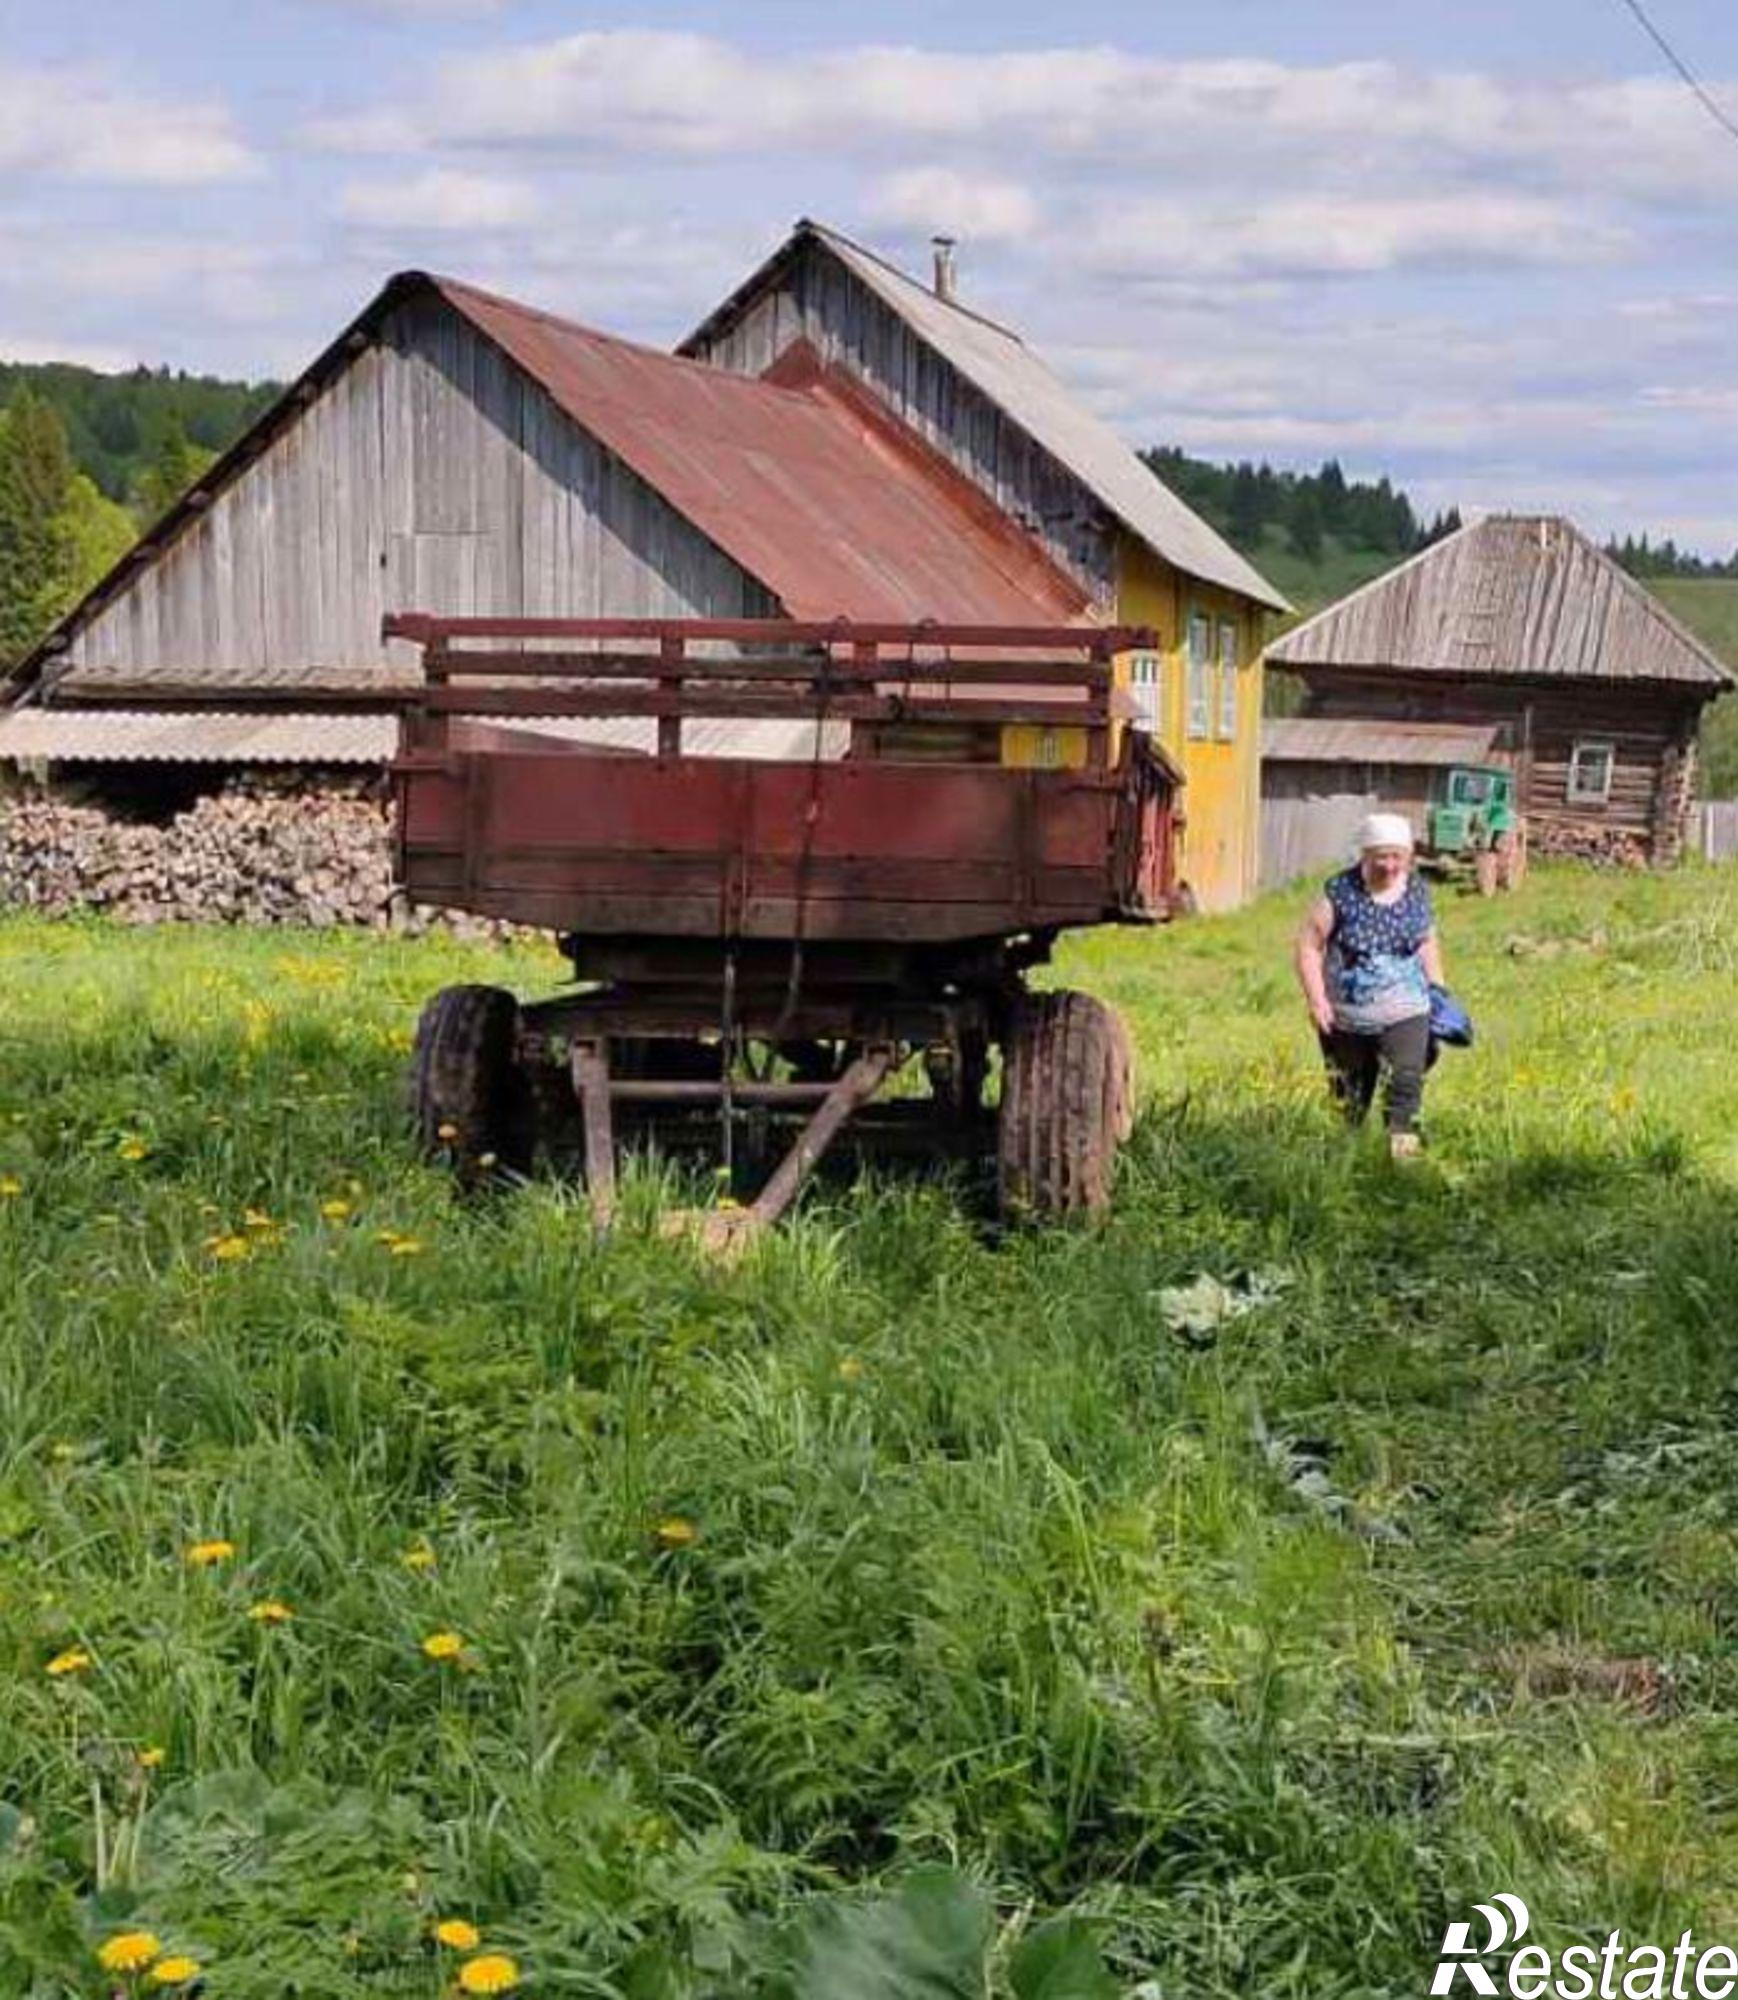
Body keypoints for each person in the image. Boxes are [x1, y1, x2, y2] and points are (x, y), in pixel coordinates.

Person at [1294, 812, 1445, 1160]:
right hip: (1346, 1017)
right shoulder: (1340, 893)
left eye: (1398, 856)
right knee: (1350, 1095)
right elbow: (1309, 946)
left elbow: (1426, 941)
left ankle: (1402, 1161)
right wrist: (1317, 1001)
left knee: (1406, 1081)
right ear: (1365, 854)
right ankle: (1348, 1161)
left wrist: (1439, 991)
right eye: (1382, 856)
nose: (1391, 865)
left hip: (1408, 1009)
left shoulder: (1416, 891)